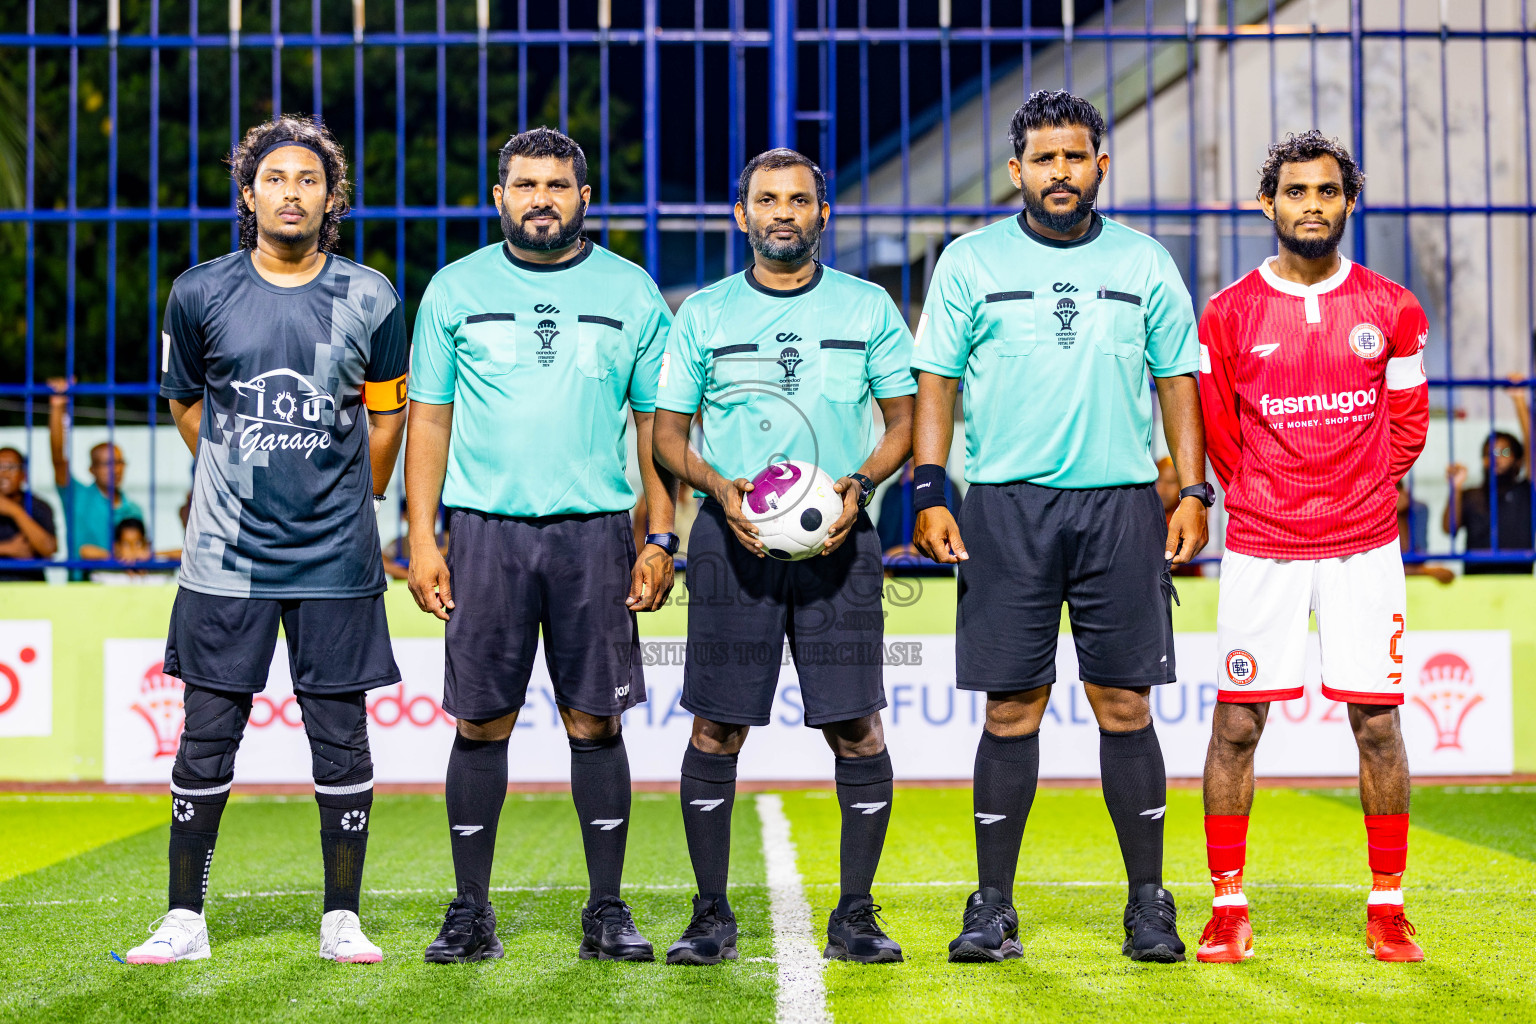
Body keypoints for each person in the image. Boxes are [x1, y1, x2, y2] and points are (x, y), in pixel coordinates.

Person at [910, 90, 1210, 965]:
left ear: (1100, 166)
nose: (1060, 172)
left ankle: (1148, 903)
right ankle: (992, 906)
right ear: (1017, 172)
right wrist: (932, 488)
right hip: (1005, 506)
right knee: (1012, 709)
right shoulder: (968, 262)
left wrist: (1193, 490)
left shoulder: (1147, 262)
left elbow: (1178, 380)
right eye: (1044, 160)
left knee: (1124, 703)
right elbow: (938, 377)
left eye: (1075, 157)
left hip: (1120, 505)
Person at [125, 116, 408, 966]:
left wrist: (355, 492)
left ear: (332, 198)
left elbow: (388, 412)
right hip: (226, 559)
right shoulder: (199, 292)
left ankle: (341, 918)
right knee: (206, 736)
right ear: (248, 194)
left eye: (309, 180)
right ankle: (185, 918)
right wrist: (235, 473)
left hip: (336, 559)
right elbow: (185, 402)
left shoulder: (373, 296)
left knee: (341, 738)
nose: (293, 192)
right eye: (276, 178)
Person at [406, 126, 677, 965]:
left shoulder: (631, 291)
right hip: (484, 532)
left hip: (596, 534)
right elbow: (430, 420)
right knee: (480, 720)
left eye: (558, 185)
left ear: (583, 198)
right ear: (500, 197)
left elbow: (656, 429)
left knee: (594, 720)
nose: (541, 199)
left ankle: (606, 910)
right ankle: (470, 911)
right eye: (525, 185)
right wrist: (421, 536)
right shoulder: (454, 290)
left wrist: (661, 535)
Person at [653, 148, 915, 966]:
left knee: (856, 726)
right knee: (717, 726)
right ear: (742, 215)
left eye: (799, 200)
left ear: (821, 214)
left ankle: (857, 915)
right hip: (732, 544)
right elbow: (667, 434)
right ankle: (709, 915)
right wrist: (716, 487)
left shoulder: (868, 307)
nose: (782, 214)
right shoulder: (704, 314)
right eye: (766, 200)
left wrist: (859, 485)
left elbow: (905, 423)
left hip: (841, 540)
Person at [1197, 131, 1430, 964]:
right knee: (1237, 726)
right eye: (1296, 192)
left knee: (1377, 724)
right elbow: (1219, 433)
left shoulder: (1392, 307)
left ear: (1348, 203)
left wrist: (1358, 488)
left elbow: (1408, 426)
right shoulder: (1227, 314)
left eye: (1328, 192)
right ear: (1269, 204)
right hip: (1262, 543)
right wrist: (1268, 493)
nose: (1312, 206)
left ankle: (1387, 905)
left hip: (1364, 545)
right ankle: (1228, 906)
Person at [48, 379, 145, 576]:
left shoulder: (134, 509)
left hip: (122, 591)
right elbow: (58, 458)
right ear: (91, 469)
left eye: (119, 462)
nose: (115, 469)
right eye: (106, 463)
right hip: (82, 589)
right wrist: (58, 408)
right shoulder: (77, 495)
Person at [1444, 386, 1534, 574]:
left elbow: (1532, 448)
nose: (1496, 457)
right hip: (1476, 584)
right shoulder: (1470, 494)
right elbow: (1449, 529)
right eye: (1489, 453)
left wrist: (1519, 400)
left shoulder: (1525, 492)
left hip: (1518, 582)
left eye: (1504, 452)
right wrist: (1455, 489)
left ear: (1518, 459)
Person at [0, 447, 58, 581]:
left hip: (29, 587)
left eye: (11, 467)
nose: (4, 474)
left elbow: (49, 549)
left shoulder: (38, 506)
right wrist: (8, 548)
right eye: (0, 467)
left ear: (23, 474)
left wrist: (15, 511)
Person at [90, 518, 175, 586]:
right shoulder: (108, 573)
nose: (133, 550)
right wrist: (116, 557)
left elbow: (183, 554)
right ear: (117, 546)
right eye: (126, 544)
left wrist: (151, 555)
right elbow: (85, 551)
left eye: (138, 543)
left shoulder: (158, 573)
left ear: (146, 544)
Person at [1397, 480, 1452, 584]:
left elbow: (1417, 558)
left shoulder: (1417, 509)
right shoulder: (1368, 514)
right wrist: (1395, 515)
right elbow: (1382, 566)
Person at [1156, 456, 1202, 577]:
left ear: (1182, 486)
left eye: (1171, 482)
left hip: (1188, 584)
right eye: (1159, 481)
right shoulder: (1145, 514)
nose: (1164, 489)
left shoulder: (1191, 515)